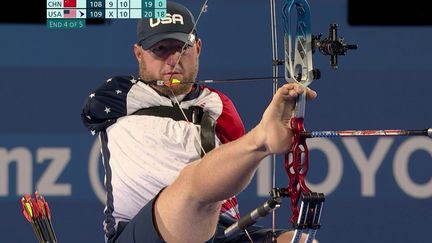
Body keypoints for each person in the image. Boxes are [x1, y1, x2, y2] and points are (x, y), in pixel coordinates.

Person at [81, 1, 317, 242]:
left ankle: (261, 141)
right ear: (138, 53)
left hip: (221, 231)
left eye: (182, 48)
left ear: (199, 47)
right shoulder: (119, 96)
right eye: (160, 49)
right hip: (144, 231)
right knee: (189, 187)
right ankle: (261, 139)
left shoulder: (217, 105)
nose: (173, 60)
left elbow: (230, 173)